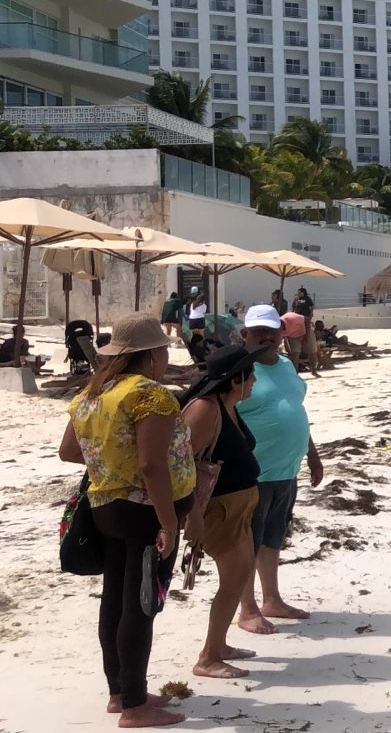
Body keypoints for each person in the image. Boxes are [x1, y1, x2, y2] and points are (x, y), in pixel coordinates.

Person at [58, 314, 195, 728]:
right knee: (140, 605)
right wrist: (169, 524)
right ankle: (135, 706)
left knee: (116, 599)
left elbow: (69, 450)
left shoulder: (93, 393)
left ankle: (120, 693)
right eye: (163, 350)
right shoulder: (150, 395)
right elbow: (153, 467)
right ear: (153, 354)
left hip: (106, 507)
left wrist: (110, 460)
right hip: (144, 512)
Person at [179, 343, 271, 679]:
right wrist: (191, 517)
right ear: (235, 380)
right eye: (251, 375)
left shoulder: (228, 405)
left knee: (240, 574)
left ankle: (219, 646)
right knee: (233, 580)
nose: (256, 380)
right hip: (218, 510)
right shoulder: (205, 408)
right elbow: (182, 464)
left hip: (238, 508)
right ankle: (208, 658)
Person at [235, 306, 325, 635]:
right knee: (246, 542)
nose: (267, 337)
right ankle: (247, 609)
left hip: (287, 469)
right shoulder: (240, 369)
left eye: (272, 331)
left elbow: (295, 410)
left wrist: (312, 456)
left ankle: (271, 599)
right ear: (246, 335)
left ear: (281, 333)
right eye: (259, 332)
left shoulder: (287, 365)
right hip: (251, 473)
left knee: (273, 538)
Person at [278, 307, 314, 377]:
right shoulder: (278, 328)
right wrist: (287, 346)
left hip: (305, 330)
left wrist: (306, 336)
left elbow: (307, 320)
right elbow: (284, 337)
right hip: (293, 336)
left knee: (312, 351)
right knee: (295, 354)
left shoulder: (291, 318)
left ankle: (313, 371)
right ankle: (296, 374)